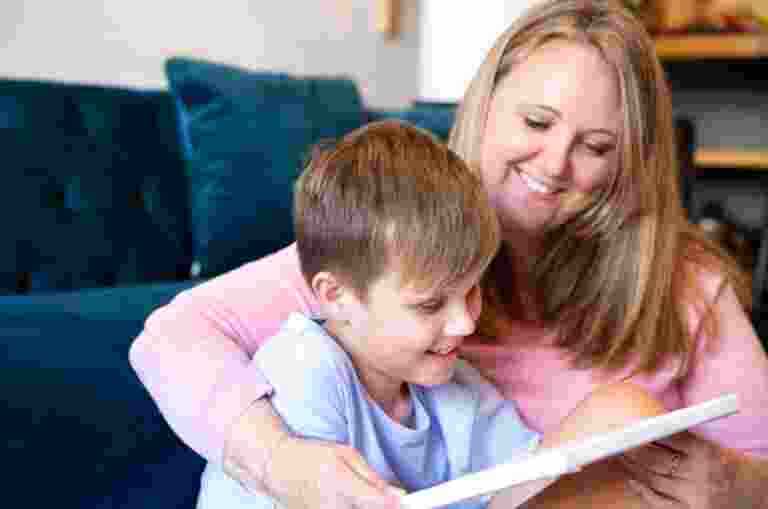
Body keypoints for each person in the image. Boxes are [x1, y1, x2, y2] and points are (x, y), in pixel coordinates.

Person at [130, 1, 768, 508]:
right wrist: (279, 460)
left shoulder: (683, 283)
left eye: (596, 146)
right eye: (537, 123)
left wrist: (734, 488)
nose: (555, 164)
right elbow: (171, 335)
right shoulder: (390, 237)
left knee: (624, 413)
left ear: (628, 161)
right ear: (484, 107)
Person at [195, 120, 666, 509]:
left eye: (472, 291)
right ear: (336, 297)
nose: (464, 324)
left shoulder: (453, 386)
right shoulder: (304, 370)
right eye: (431, 303)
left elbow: (527, 484)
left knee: (620, 410)